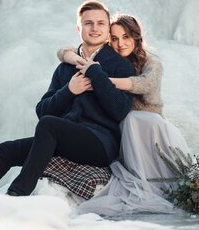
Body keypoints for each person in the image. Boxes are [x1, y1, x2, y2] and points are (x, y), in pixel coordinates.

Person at [0, 0, 135, 196]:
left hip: (100, 143)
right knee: (6, 149)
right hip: (64, 138)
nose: (95, 28)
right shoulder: (65, 68)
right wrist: (69, 90)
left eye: (101, 23)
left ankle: (17, 192)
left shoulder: (121, 65)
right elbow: (42, 111)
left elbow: (120, 110)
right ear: (79, 27)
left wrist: (96, 73)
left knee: (50, 125)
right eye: (88, 23)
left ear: (108, 28)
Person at [57, 14, 190, 215]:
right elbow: (63, 50)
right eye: (115, 38)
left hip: (150, 126)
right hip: (124, 128)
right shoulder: (110, 60)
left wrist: (100, 79)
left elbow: (145, 84)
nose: (120, 44)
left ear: (136, 38)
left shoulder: (151, 62)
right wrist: (75, 59)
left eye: (126, 37)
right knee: (124, 121)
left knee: (132, 119)